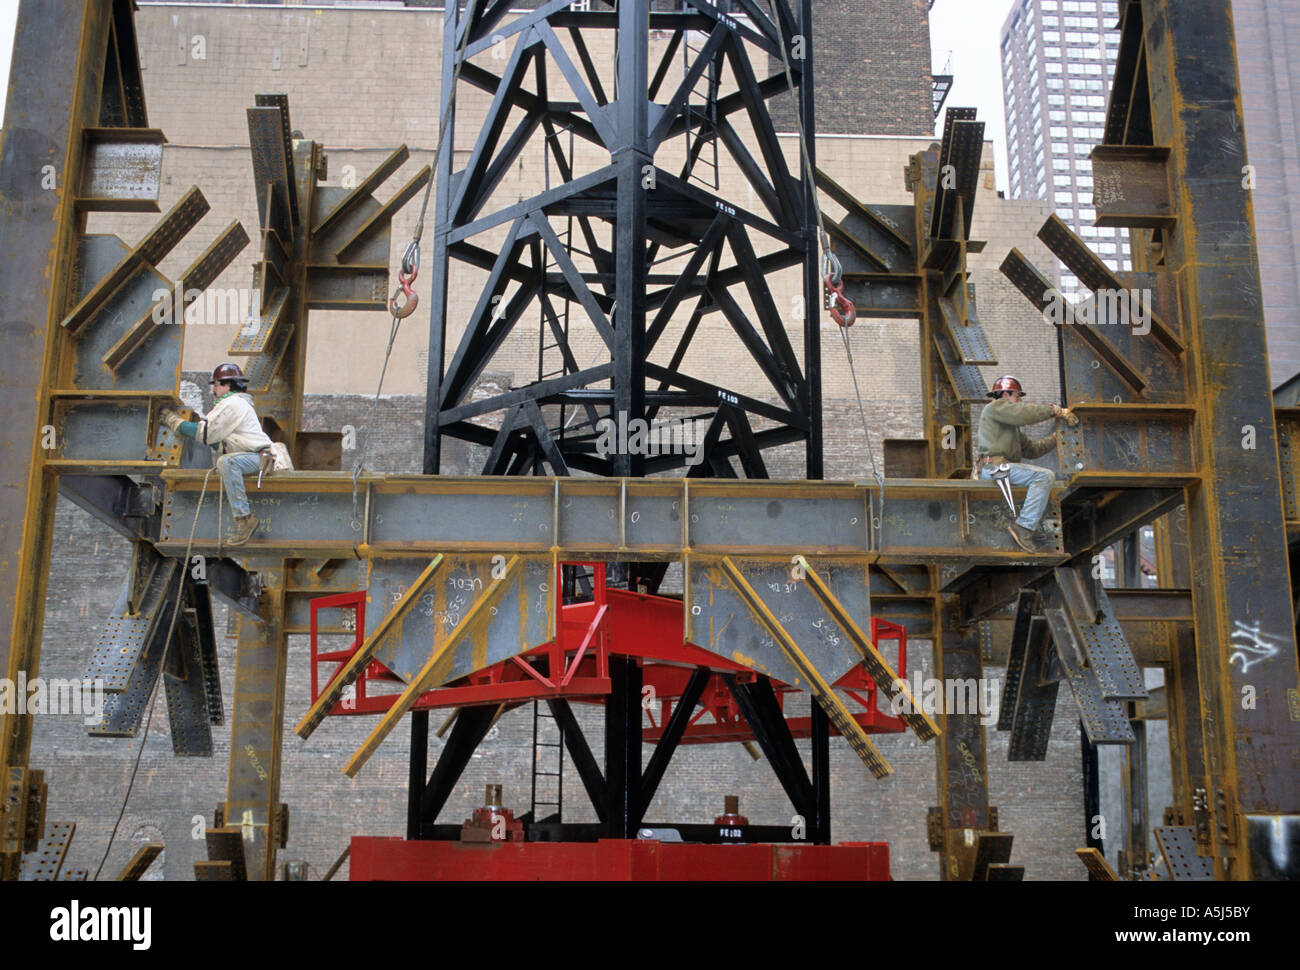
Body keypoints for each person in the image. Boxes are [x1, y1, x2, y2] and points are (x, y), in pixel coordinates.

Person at [161, 362, 273, 546]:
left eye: (216, 385)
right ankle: (243, 518)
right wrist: (191, 427)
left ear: (228, 385)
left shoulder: (232, 404)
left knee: (227, 463)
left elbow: (206, 434)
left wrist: (175, 422)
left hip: (256, 458)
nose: (213, 390)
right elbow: (215, 439)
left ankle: (244, 519)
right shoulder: (237, 404)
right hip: (254, 457)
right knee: (227, 460)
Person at [976, 375, 1079, 552]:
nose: (1020, 400)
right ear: (1005, 394)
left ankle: (1024, 525)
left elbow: (1032, 450)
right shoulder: (995, 407)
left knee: (1042, 476)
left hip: (1002, 469)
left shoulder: (1009, 427)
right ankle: (1023, 527)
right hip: (994, 468)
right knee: (1044, 476)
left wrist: (1056, 439)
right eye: (1017, 396)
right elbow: (1024, 413)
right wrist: (1055, 410)